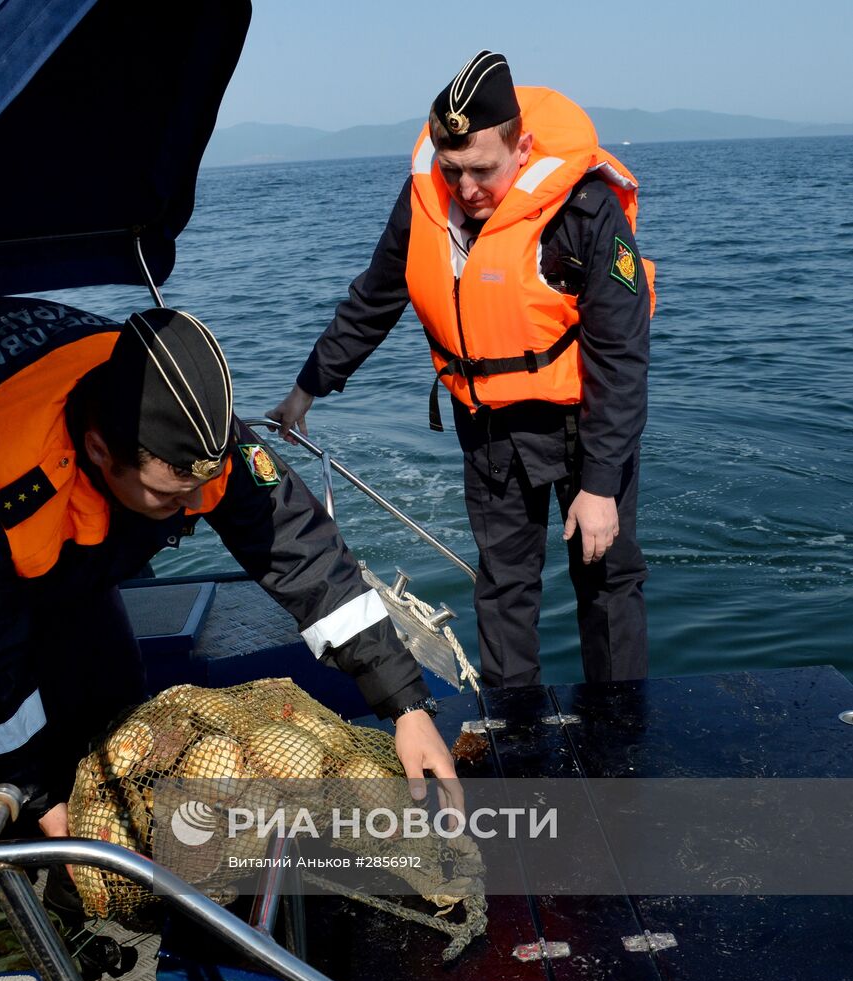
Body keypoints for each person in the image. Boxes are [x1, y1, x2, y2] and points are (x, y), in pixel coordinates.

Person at [0, 298, 458, 978]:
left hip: (32, 455)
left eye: (198, 492)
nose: (192, 509)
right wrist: (40, 799)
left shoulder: (191, 425)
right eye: (171, 501)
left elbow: (303, 555)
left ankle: (83, 859)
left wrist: (405, 704)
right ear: (99, 451)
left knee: (107, 682)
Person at [269, 50, 655, 688]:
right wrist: (306, 389)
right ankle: (516, 736)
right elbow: (376, 296)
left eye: (482, 171)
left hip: (584, 425)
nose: (467, 189)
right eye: (453, 171)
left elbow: (620, 351)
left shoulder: (585, 210)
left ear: (522, 147)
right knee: (504, 589)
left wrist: (602, 484)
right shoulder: (427, 197)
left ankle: (622, 740)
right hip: (489, 429)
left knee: (608, 581)